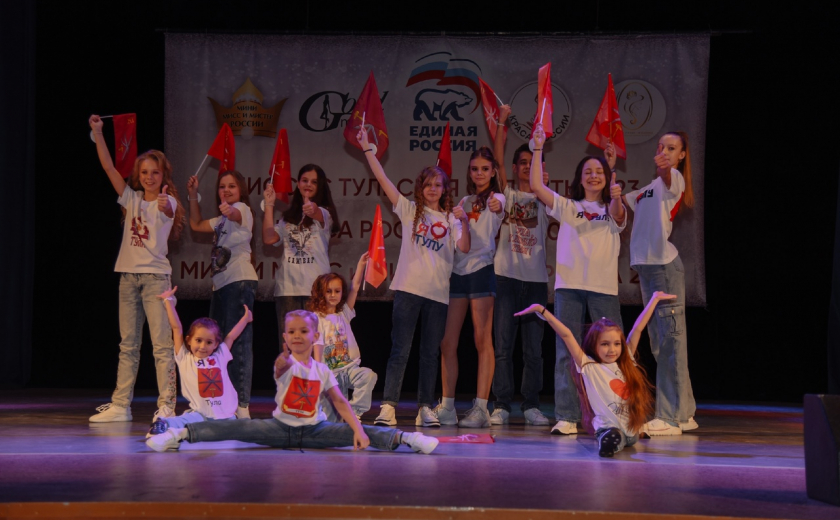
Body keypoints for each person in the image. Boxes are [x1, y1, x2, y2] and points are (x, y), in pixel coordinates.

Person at [146, 310, 439, 455]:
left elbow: (340, 402)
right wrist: (288, 357)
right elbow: (283, 368)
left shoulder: (322, 370)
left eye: (304, 332)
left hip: (315, 431)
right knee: (232, 427)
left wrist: (358, 430)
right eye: (292, 332)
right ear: (285, 337)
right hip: (279, 429)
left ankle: (406, 439)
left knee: (357, 432)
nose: (297, 336)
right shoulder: (284, 362)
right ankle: (178, 434)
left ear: (315, 337)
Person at [355, 127, 470, 428]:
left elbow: (463, 247)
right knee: (400, 350)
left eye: (438, 185)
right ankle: (388, 406)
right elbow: (383, 179)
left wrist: (465, 222)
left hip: (437, 296)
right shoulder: (409, 210)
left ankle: (425, 408)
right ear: (420, 188)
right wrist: (367, 149)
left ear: (445, 189)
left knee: (430, 353)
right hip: (407, 290)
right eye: (428, 184)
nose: (433, 189)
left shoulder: (451, 219)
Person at [528, 123, 626, 435]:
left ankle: (618, 412)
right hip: (568, 288)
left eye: (599, 172)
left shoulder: (612, 207)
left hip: (603, 289)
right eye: (588, 172)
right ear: (579, 179)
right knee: (565, 352)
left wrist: (614, 184)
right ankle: (567, 416)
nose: (593, 176)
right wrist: (538, 148)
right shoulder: (569, 207)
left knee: (613, 354)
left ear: (606, 177)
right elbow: (536, 186)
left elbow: (618, 214)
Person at [88, 114, 185, 424]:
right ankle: (121, 405)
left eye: (155, 172)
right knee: (128, 344)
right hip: (128, 277)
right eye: (144, 172)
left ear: (163, 174)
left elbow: (167, 209)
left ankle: (167, 405)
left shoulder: (168, 203)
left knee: (162, 347)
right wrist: (98, 132)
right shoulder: (131, 199)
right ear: (138, 175)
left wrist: (165, 202)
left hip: (156, 279)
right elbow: (108, 167)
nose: (149, 177)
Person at [514, 292, 674, 457]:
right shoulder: (589, 366)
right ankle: (610, 442)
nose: (612, 349)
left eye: (617, 344)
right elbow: (566, 334)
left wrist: (654, 299)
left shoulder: (625, 362)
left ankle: (621, 439)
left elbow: (638, 328)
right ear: (594, 345)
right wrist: (542, 310)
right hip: (608, 428)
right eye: (605, 344)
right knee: (614, 436)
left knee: (629, 438)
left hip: (631, 430)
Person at [624, 132, 697, 436]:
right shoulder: (648, 190)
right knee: (662, 344)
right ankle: (685, 413)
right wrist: (611, 169)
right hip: (649, 270)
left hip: (664, 269)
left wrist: (667, 167)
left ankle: (670, 417)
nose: (664, 151)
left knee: (670, 344)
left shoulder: (673, 180)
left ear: (681, 155)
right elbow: (620, 203)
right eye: (661, 147)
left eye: (672, 148)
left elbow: (668, 175)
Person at [488, 104, 552, 426]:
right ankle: (501, 404)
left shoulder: (545, 196)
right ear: (514, 168)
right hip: (506, 278)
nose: (527, 167)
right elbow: (498, 159)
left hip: (536, 281)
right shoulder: (507, 194)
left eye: (531, 162)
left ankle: (531, 406)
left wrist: (542, 179)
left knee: (533, 351)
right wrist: (502, 121)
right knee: (503, 346)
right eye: (522, 163)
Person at [436, 147, 505, 428]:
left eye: (485, 169)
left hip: (481, 271)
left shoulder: (497, 198)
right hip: (457, 272)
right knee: (447, 342)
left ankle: (481, 408)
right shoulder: (464, 201)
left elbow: (499, 207)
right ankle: (447, 406)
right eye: (475, 169)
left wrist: (497, 205)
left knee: (481, 340)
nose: (479, 173)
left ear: (493, 172)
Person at [186, 170, 258, 419]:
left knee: (239, 345)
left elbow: (236, 213)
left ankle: (242, 406)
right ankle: (220, 402)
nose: (226, 190)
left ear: (241, 191)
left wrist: (230, 210)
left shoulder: (243, 209)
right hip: (221, 285)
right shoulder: (220, 220)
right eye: (222, 187)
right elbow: (195, 224)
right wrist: (193, 195)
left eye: (232, 186)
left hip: (239, 281)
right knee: (217, 345)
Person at [147, 287, 253, 438]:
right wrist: (168, 301)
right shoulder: (185, 358)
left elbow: (230, 337)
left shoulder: (220, 356)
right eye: (198, 340)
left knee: (236, 431)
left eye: (209, 342)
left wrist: (245, 319)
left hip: (226, 417)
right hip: (201, 415)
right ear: (189, 340)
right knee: (186, 419)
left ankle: (190, 432)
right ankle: (164, 424)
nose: (203, 346)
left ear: (216, 344)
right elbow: (177, 328)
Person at [263, 164, 340, 349]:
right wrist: (269, 205)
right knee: (289, 347)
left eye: (314, 182)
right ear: (298, 184)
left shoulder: (325, 214)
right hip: (287, 290)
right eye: (305, 181)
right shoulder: (287, 218)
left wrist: (311, 207)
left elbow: (315, 211)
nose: (308, 185)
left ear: (320, 186)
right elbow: (269, 238)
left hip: (316, 291)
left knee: (317, 347)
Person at [308, 254, 378, 422]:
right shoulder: (316, 317)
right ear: (321, 293)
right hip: (330, 375)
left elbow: (355, 287)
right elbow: (317, 345)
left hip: (349, 369)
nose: (333, 295)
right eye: (328, 291)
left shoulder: (344, 313)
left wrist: (361, 265)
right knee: (332, 422)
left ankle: (354, 412)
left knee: (368, 375)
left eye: (337, 291)